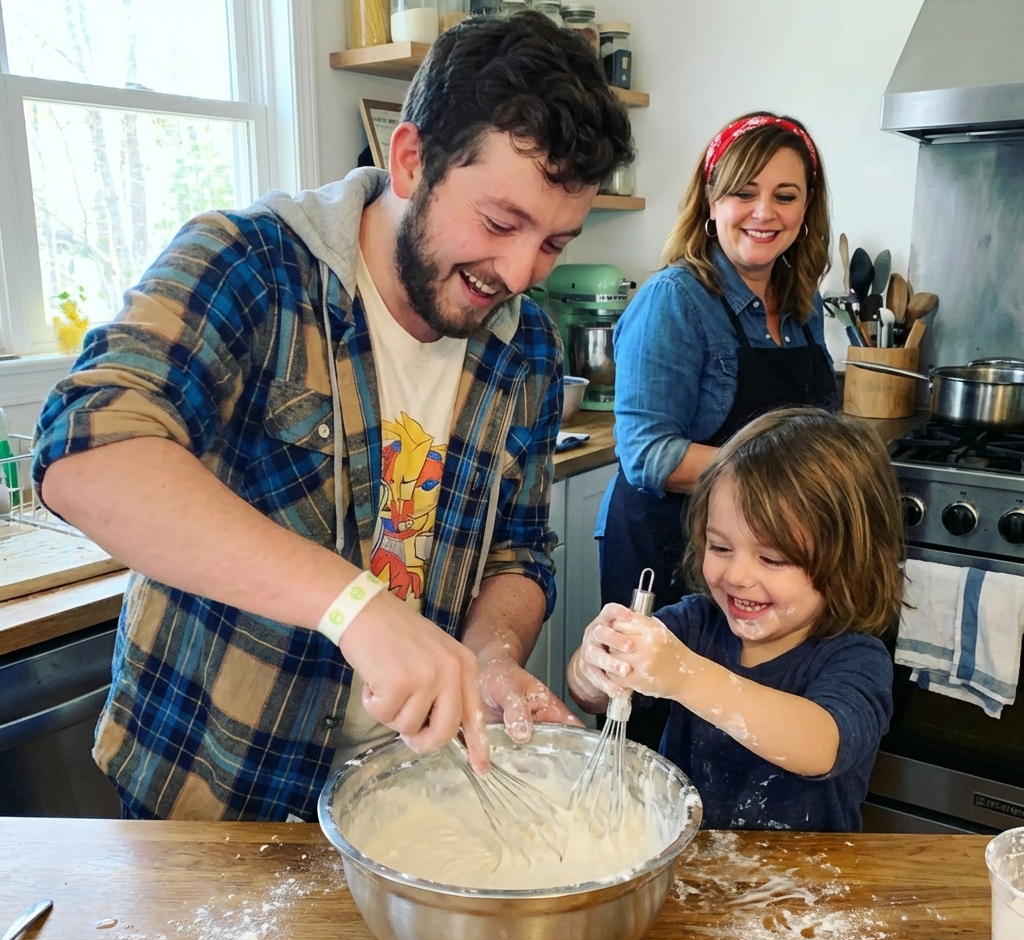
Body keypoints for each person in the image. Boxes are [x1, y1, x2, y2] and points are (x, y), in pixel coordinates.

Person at [31, 12, 634, 821]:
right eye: (499, 223)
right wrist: (353, 606)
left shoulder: (523, 343)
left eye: (555, 243)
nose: (521, 272)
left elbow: (518, 552)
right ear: (411, 161)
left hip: (406, 797)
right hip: (212, 796)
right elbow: (85, 452)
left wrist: (491, 659)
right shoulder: (249, 268)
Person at [597, 112, 838, 750]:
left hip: (766, 560)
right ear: (710, 201)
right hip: (672, 555)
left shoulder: (799, 306)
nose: (764, 212)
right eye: (743, 192)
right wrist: (785, 480)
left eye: (785, 196)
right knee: (654, 729)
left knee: (748, 728)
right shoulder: (676, 299)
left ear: (807, 207)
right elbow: (649, 455)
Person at [569, 408, 904, 831]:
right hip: (691, 868)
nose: (738, 576)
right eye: (721, 548)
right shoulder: (693, 624)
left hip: (805, 886)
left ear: (846, 561)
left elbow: (823, 746)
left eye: (772, 558)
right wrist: (594, 661)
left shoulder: (854, 658)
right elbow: (590, 697)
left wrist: (686, 676)